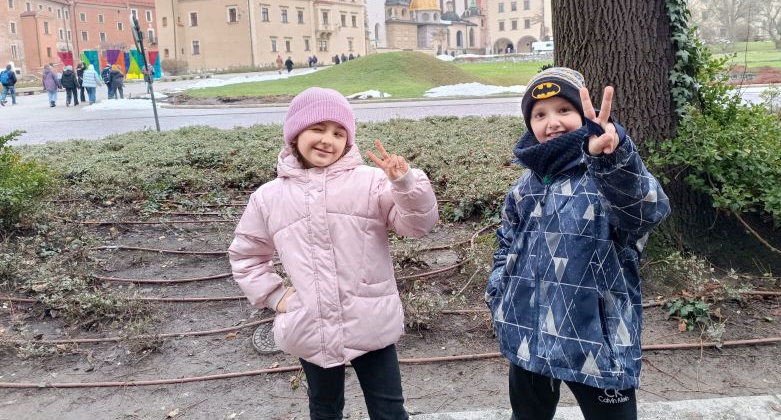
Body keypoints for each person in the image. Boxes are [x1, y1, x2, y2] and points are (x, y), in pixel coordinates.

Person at [229, 87, 439, 420]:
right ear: (295, 133)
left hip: (370, 318)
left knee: (389, 409)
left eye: (339, 133)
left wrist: (405, 185)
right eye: (318, 129)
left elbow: (417, 226)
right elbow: (246, 256)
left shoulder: (371, 183)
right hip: (311, 324)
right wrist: (275, 295)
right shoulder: (269, 198)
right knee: (324, 408)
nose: (328, 140)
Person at [486, 67, 670, 420]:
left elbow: (647, 212)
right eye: (540, 114)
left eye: (564, 110)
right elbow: (506, 240)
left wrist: (612, 161)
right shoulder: (524, 187)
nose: (552, 122)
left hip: (596, 341)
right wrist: (498, 290)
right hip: (527, 334)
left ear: (584, 115)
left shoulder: (606, 174)